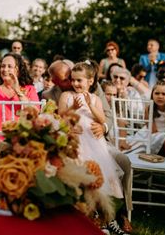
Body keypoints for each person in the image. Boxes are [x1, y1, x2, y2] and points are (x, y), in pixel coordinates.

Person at [58, 62, 124, 233]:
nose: (75, 84)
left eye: (79, 80)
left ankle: (102, 217)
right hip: (74, 139)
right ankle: (82, 214)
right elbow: (61, 116)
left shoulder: (94, 98)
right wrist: (74, 107)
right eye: (73, 80)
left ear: (90, 81)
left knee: (98, 176)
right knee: (80, 174)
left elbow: (102, 119)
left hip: (93, 141)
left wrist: (91, 105)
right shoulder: (66, 95)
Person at [0, 53, 39, 145]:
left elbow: (35, 113)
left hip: (21, 140)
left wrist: (18, 91)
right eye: (3, 66)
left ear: (18, 70)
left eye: (9, 66)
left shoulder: (29, 89)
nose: (5, 69)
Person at [122, 83, 165, 161]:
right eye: (157, 93)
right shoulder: (149, 108)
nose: (160, 96)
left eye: (164, 94)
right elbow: (152, 130)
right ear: (152, 95)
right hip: (150, 133)